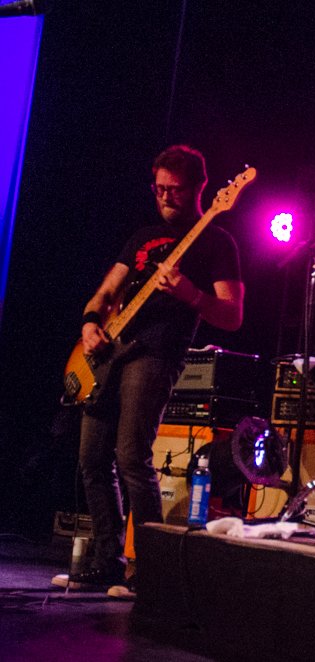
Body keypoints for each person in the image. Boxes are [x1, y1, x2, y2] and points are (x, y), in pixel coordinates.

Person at [53, 145, 243, 594]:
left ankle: (152, 571)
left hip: (156, 353)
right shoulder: (141, 237)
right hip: (108, 353)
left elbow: (233, 315)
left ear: (199, 189)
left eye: (174, 191)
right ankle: (106, 561)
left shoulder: (216, 241)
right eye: (158, 189)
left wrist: (191, 295)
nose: (165, 198)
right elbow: (104, 293)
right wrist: (89, 325)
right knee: (91, 459)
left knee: (131, 457)